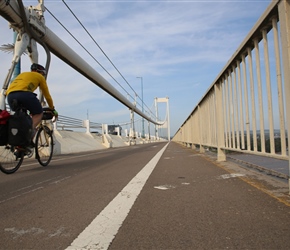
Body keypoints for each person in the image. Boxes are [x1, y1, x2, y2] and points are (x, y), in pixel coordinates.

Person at [6, 63, 58, 135]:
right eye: (43, 73)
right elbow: (47, 96)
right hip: (25, 95)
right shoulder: (40, 76)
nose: (43, 75)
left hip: (10, 96)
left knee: (21, 115)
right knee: (39, 113)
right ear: (40, 72)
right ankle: (27, 133)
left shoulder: (22, 74)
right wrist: (52, 108)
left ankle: (17, 138)